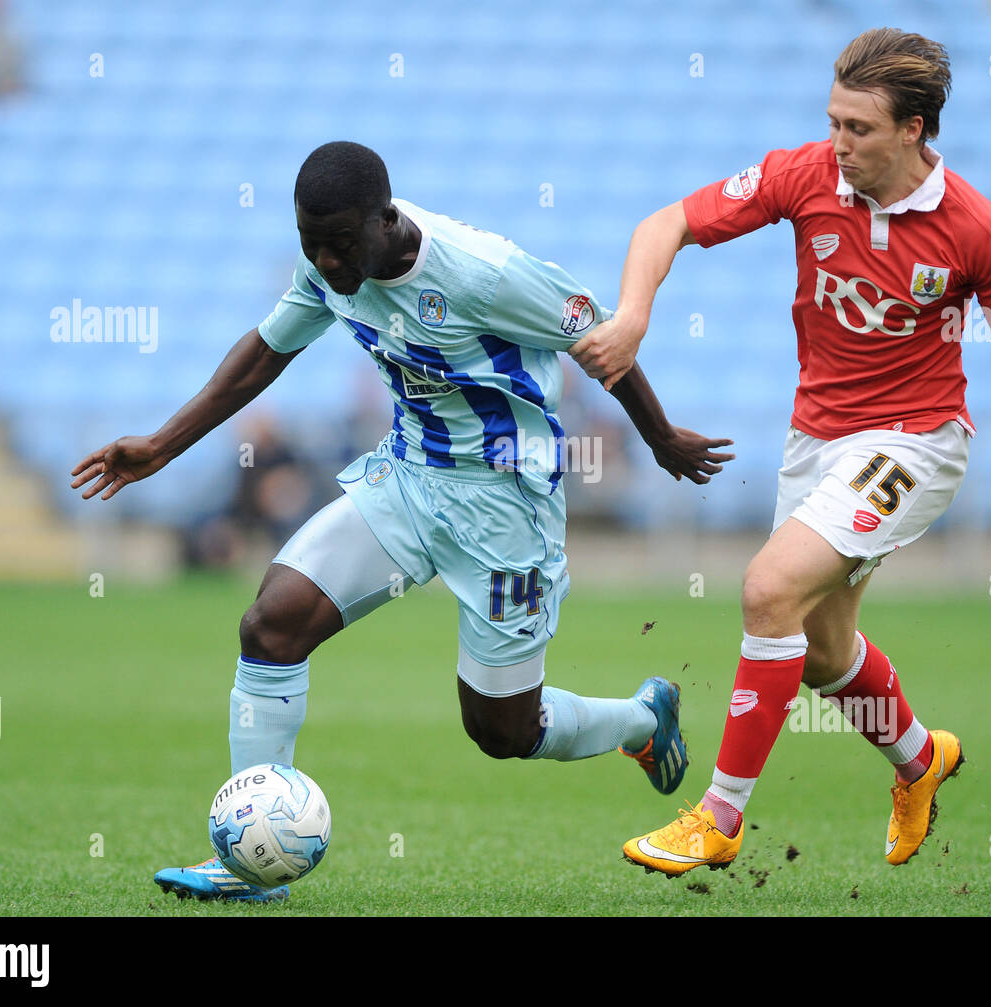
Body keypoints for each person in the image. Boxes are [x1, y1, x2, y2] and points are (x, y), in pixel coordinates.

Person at [70, 141, 734, 901]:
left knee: (501, 731)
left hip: (503, 506)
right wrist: (161, 443)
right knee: (271, 624)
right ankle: (249, 859)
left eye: (341, 244)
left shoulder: (482, 272)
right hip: (409, 477)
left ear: (386, 221)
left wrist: (660, 437)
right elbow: (265, 353)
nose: (325, 260)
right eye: (309, 243)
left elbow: (601, 338)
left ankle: (641, 720)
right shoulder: (327, 265)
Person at [570, 28, 991, 876]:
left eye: (860, 129)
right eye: (833, 121)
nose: (838, 144)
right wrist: (632, 317)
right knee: (823, 650)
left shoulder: (980, 230)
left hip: (916, 441)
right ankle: (922, 761)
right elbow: (668, 223)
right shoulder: (807, 175)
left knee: (767, 588)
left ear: (915, 130)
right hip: (818, 440)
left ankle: (719, 817)